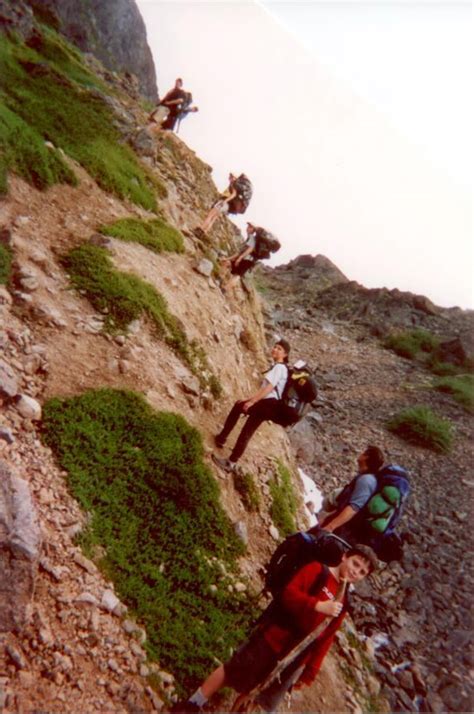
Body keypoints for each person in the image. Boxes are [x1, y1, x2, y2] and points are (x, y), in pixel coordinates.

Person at [171, 544, 378, 713]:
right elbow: (288, 594)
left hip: (293, 655)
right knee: (232, 670)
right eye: (355, 563)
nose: (355, 571)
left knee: (256, 693)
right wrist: (317, 605)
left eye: (362, 571)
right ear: (344, 557)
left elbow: (326, 636)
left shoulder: (343, 601)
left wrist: (310, 671)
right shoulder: (317, 570)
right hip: (273, 637)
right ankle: (192, 704)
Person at [316, 446, 409, 562]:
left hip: (344, 533)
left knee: (317, 557)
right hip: (346, 532)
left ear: (366, 457)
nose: (359, 453)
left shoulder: (367, 480)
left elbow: (354, 508)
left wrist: (330, 527)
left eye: (363, 452)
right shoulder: (369, 479)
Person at [212, 339, 291, 473]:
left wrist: (252, 402)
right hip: (270, 405)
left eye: (279, 349)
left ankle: (226, 450)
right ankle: (227, 450)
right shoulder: (280, 368)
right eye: (275, 347)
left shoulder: (279, 367)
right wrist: (249, 400)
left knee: (243, 422)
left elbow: (269, 388)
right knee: (243, 416)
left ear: (285, 354)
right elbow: (268, 390)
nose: (275, 350)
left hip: (268, 403)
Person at [219, 222, 281, 294]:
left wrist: (239, 258)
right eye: (248, 226)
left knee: (235, 273)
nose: (247, 228)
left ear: (253, 229)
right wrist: (229, 258)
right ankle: (225, 289)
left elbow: (249, 250)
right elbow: (241, 252)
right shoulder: (253, 240)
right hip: (250, 262)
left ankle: (221, 282)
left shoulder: (252, 238)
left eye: (249, 227)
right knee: (237, 275)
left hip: (246, 259)